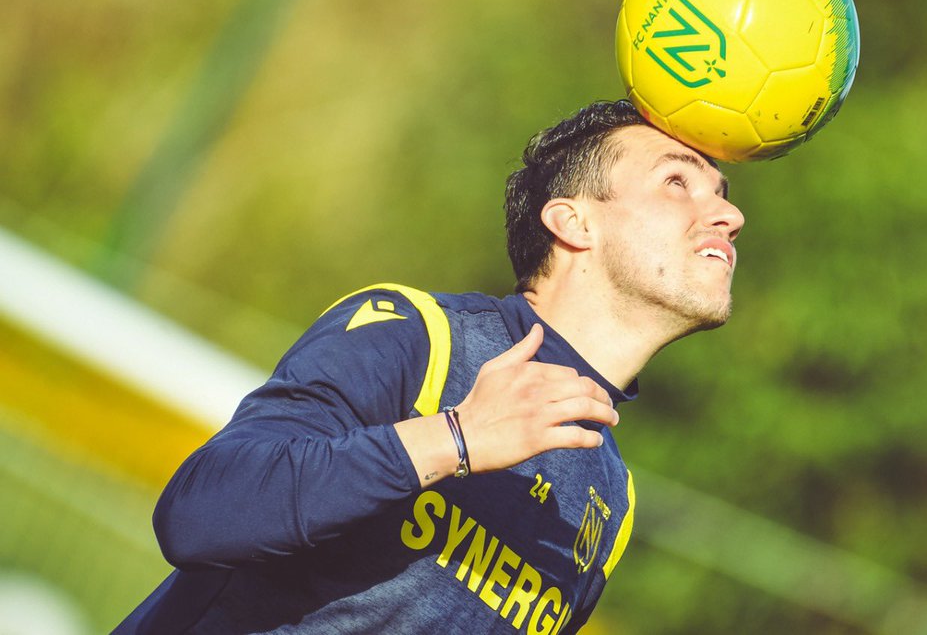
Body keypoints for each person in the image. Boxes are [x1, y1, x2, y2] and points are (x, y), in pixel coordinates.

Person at [115, 99, 744, 634]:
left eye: (721, 194)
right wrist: (454, 440)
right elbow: (197, 514)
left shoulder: (612, 498)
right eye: (676, 183)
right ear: (572, 221)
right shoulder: (419, 334)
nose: (729, 215)